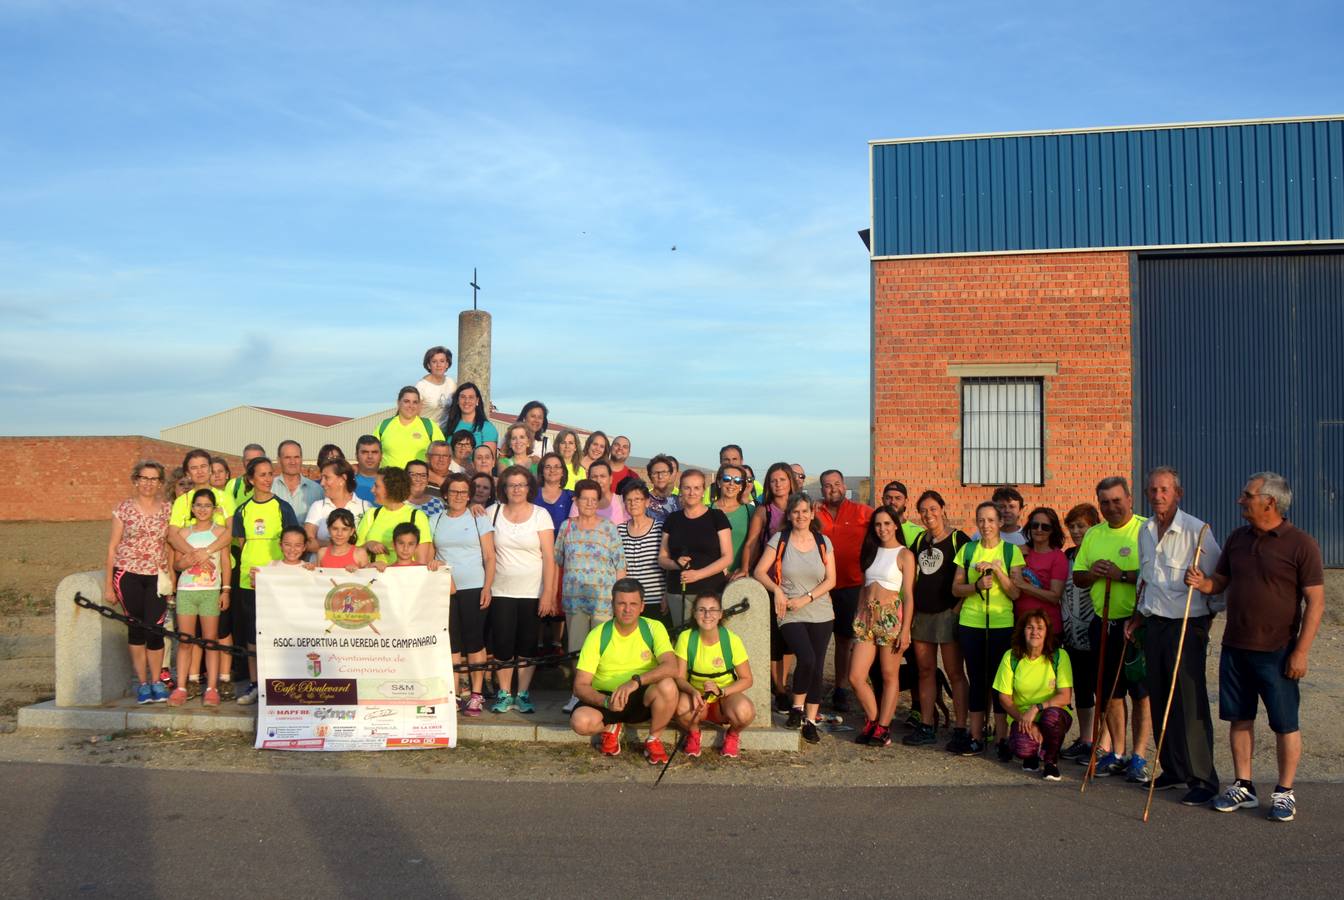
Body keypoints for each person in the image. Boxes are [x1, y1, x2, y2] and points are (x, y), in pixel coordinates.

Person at [1187, 472, 1324, 822]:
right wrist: (1205, 584)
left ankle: (1284, 792)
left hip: (1278, 650)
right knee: (1239, 718)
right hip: (1236, 646)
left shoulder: (1300, 544)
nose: (1240, 501)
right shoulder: (1237, 539)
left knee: (1284, 723)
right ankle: (1243, 786)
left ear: (1270, 501)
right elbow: (1222, 581)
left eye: (1246, 495)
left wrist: (1301, 652)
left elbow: (1316, 603)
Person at [1129, 466, 1223, 807]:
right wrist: (1138, 617)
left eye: (1165, 490)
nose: (1158, 496)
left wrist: (1206, 617)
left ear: (1178, 494)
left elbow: (1218, 582)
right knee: (1159, 697)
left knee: (1189, 701)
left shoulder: (1197, 531)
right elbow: (1147, 580)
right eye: (1153, 490)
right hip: (1155, 624)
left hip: (1187, 625)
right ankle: (1173, 768)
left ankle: (1202, 778)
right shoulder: (1145, 530)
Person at [1072, 476, 1150, 782]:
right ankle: (1117, 752)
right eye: (1104, 502)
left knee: (1141, 693)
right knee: (1111, 694)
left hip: (1138, 624)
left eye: (1117, 500)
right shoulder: (1094, 534)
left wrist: (1121, 575)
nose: (1111, 507)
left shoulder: (1146, 530)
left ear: (1129, 499)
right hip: (1103, 623)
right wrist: (1092, 574)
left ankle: (1139, 755)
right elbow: (1078, 577)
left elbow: (1153, 576)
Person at [753, 492, 837, 744]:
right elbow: (759, 571)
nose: (800, 516)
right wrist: (777, 590)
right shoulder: (780, 539)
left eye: (804, 511)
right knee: (806, 657)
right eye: (795, 512)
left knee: (817, 666)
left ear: (812, 514)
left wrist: (808, 598)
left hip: (820, 611)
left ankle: (809, 720)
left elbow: (831, 579)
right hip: (789, 611)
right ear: (789, 515)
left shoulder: (823, 541)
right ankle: (797, 708)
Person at [569, 579, 679, 763]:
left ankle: (653, 739)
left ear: (642, 606)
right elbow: (580, 686)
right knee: (580, 722)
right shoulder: (598, 635)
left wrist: (635, 681)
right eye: (621, 603)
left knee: (668, 685)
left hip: (641, 694)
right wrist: (605, 701)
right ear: (612, 605)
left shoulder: (653, 628)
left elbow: (671, 666)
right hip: (608, 699)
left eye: (633, 604)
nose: (627, 609)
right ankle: (610, 727)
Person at [952, 500, 1025, 757]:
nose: (986, 525)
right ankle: (975, 736)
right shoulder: (967, 551)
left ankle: (1001, 738)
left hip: (1001, 624)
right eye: (981, 520)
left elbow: (1015, 593)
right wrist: (976, 587)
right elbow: (956, 588)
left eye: (991, 520)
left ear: (1000, 523)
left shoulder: (1010, 552)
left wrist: (997, 571)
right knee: (977, 679)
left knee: (1000, 681)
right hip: (971, 622)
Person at [487, 466, 558, 714]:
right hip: (501, 590)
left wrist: (548, 594)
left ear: (529, 488)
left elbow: (549, 558)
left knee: (527, 646)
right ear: (504, 489)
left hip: (532, 592)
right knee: (503, 645)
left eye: (521, 484)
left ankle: (524, 693)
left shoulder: (541, 515)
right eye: (511, 485)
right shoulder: (491, 512)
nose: (516, 489)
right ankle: (505, 693)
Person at [904, 491, 971, 749]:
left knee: (955, 672)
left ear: (943, 509)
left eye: (933, 509)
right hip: (923, 615)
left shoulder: (959, 539)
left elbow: (967, 578)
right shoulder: (920, 539)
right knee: (925, 671)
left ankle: (961, 726)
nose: (928, 515)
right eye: (923, 511)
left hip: (947, 615)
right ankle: (927, 725)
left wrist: (956, 610)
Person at [231, 456, 298, 704]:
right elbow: (241, 544)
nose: (268, 479)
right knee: (252, 634)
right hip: (251, 581)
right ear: (251, 479)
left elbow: (294, 541)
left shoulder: (283, 507)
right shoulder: (243, 510)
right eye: (262, 475)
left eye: (270, 474)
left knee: (279, 632)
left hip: (278, 581)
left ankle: (279, 682)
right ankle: (255, 684)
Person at [105, 461, 173, 704]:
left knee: (155, 628)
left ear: (160, 483)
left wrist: (172, 576)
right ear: (135, 480)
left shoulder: (168, 509)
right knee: (136, 628)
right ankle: (142, 683)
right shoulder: (123, 508)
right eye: (144, 478)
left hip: (157, 576)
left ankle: (157, 681)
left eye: (153, 479)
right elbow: (113, 546)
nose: (148, 483)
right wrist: (107, 584)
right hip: (128, 574)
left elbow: (171, 544)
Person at [428, 472, 496, 717]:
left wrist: (487, 587)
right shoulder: (434, 520)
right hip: (446, 589)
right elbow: (430, 554)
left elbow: (490, 556)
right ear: (445, 494)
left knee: (475, 642)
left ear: (469, 495)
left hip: (474, 587)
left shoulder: (479, 518)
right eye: (454, 491)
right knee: (452, 643)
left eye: (463, 492)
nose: (458, 496)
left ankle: (476, 694)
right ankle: (454, 692)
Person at [848, 505, 916, 747]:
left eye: (887, 523)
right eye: (878, 524)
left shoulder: (904, 554)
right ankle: (874, 720)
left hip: (890, 619)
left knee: (889, 675)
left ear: (896, 524)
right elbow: (864, 587)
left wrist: (906, 629)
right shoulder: (870, 550)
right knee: (856, 676)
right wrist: (857, 618)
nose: (883, 528)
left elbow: (907, 595)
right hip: (866, 619)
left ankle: (884, 728)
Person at [556, 479, 627, 682]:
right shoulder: (566, 527)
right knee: (576, 649)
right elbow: (557, 560)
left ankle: (600, 688)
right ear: (576, 501)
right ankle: (578, 693)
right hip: (575, 599)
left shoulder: (609, 528)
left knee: (602, 647)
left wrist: (619, 600)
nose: (589, 503)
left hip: (603, 601)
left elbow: (620, 565)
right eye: (584, 499)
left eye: (593, 499)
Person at [815, 469, 873, 713]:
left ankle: (841, 688)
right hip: (820, 587)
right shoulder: (815, 513)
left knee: (844, 640)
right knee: (816, 640)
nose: (833, 488)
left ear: (843, 485)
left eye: (837, 484)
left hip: (851, 585)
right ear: (822, 490)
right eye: (827, 485)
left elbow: (887, 526)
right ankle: (813, 688)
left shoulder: (861, 511)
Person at [993, 609, 1075, 781]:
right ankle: (1034, 754)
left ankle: (1050, 762)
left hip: (1051, 712)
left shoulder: (1060, 656)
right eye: (1030, 627)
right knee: (1023, 749)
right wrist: (1024, 718)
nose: (1035, 632)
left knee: (1051, 718)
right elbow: (1004, 698)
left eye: (1040, 628)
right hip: (1023, 715)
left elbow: (1065, 696)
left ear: (1047, 633)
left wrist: (1036, 709)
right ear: (1023, 631)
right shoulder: (1011, 657)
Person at [168, 489, 231, 707]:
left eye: (207, 505)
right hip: (187, 592)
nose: (203, 509)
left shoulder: (220, 533)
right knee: (185, 641)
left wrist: (225, 590)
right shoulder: (183, 534)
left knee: (210, 640)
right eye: (199, 505)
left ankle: (212, 688)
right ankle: (181, 687)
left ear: (214, 509)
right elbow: (177, 564)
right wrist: (186, 562)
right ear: (192, 508)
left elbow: (224, 564)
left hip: (210, 592)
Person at [674, 590, 756, 759]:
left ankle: (733, 735)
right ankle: (694, 734)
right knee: (680, 705)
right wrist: (693, 692)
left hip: (724, 700)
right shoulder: (685, 638)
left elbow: (747, 679)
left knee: (745, 711)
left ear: (720, 615)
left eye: (713, 610)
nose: (707, 615)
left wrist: (722, 691)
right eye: (701, 609)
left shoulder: (732, 640)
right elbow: (679, 678)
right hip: (697, 699)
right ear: (694, 613)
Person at [743, 462, 795, 710]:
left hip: (797, 582)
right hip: (771, 581)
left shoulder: (801, 507)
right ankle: (780, 688)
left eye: (782, 479)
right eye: (773, 480)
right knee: (775, 637)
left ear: (791, 482)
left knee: (792, 637)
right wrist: (745, 569)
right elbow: (752, 542)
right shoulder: (764, 510)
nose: (778, 484)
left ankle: (784, 680)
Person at [658, 470, 732, 630]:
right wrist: (676, 564)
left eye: (696, 488)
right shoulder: (672, 519)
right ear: (680, 489)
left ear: (703, 490)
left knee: (710, 640)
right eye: (687, 488)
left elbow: (727, 557)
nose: (692, 492)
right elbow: (662, 558)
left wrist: (698, 575)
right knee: (683, 641)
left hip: (711, 591)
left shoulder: (717, 517)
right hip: (678, 592)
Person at [1058, 503, 1102, 764]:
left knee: (1103, 690)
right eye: (1072, 526)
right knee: (1083, 690)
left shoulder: (1097, 554)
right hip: (1072, 634)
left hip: (1096, 630)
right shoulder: (1067, 556)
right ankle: (1086, 739)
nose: (1076, 531)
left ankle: (1103, 740)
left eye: (1081, 526)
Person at [355, 467, 433, 565]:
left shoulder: (417, 516)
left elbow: (421, 561)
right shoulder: (371, 514)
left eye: (376, 486)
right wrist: (368, 545)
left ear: (390, 489)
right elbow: (355, 553)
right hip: (374, 578)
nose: (372, 490)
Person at [1014, 507, 1068, 639]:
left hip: (1047, 629)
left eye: (1045, 527)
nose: (1039, 530)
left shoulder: (1058, 557)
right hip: (1021, 625)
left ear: (1053, 530)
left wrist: (1024, 585)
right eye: (1035, 525)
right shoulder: (1020, 552)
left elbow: (1055, 596)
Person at [618, 480, 665, 621]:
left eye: (638, 499)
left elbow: (666, 565)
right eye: (629, 500)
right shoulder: (619, 530)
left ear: (647, 502)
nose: (633, 503)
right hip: (630, 602)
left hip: (655, 599)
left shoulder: (660, 528)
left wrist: (666, 596)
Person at [304, 459, 370, 554]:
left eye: (326, 478)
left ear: (343, 479)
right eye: (322, 478)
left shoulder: (366, 507)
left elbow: (371, 542)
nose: (322, 483)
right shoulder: (317, 506)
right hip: (322, 567)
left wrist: (324, 544)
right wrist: (341, 546)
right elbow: (307, 543)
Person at [378, 386, 447, 470]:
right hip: (389, 481)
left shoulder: (429, 426)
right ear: (398, 403)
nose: (411, 405)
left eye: (415, 402)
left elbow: (443, 454)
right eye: (406, 401)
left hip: (418, 481)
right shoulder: (384, 425)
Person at [710, 464, 752, 577]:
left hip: (740, 577)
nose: (732, 484)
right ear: (719, 482)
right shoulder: (706, 511)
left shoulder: (751, 511)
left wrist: (745, 568)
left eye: (737, 480)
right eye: (727, 479)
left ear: (742, 486)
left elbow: (755, 544)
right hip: (711, 576)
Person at [271, 440, 323, 525]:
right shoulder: (269, 488)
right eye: (287, 457)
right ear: (279, 460)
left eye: (296, 457)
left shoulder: (317, 491)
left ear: (301, 459)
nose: (293, 462)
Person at [569, 460, 628, 526]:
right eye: (594, 477)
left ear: (611, 479)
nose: (598, 481)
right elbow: (572, 529)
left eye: (602, 476)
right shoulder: (579, 501)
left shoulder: (622, 502)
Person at [441, 382, 498, 451]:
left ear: (477, 401)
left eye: (471, 397)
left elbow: (488, 460)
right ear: (457, 401)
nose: (466, 401)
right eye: (463, 397)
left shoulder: (487, 428)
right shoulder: (449, 425)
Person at [877, 481, 926, 547]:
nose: (893, 502)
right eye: (888, 498)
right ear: (882, 500)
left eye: (898, 498)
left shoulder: (918, 533)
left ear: (906, 501)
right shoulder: (876, 530)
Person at [416, 345, 456, 424]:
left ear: (447, 364)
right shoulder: (421, 386)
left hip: (445, 433)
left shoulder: (451, 383)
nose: (438, 365)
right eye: (434, 362)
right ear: (428, 365)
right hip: (426, 431)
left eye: (442, 361)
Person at [535, 451, 575, 530]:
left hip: (562, 541)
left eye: (557, 467)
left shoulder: (571, 497)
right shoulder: (531, 494)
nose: (552, 470)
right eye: (548, 467)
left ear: (563, 472)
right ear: (542, 472)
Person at [644, 454, 680, 523]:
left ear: (670, 474)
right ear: (650, 477)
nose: (660, 476)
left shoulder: (680, 502)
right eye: (655, 473)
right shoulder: (642, 501)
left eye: (664, 472)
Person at [353, 435, 382, 504]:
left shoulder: (390, 481)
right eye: (365, 452)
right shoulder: (346, 480)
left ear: (381, 456)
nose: (370, 456)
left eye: (374, 452)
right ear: (356, 456)